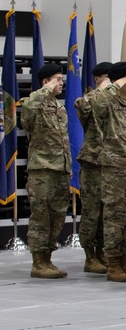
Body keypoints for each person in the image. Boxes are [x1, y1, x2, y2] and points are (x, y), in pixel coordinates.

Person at [90, 62, 126, 283]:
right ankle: (113, 263)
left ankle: (125, 261)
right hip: (115, 169)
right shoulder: (107, 104)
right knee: (115, 217)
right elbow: (96, 104)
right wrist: (114, 86)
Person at [21, 63, 71, 279]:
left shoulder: (59, 108)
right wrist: (45, 89)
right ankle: (38, 262)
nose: (61, 84)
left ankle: (48, 258)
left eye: (61, 80)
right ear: (45, 82)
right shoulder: (32, 102)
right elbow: (28, 113)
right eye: (57, 79)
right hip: (42, 169)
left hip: (60, 168)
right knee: (41, 216)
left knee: (57, 216)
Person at [75, 61, 114, 273]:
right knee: (92, 211)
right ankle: (90, 255)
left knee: (106, 211)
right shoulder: (90, 99)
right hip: (93, 162)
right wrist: (101, 90)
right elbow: (82, 107)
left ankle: (102, 251)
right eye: (105, 77)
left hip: (111, 162)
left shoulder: (114, 101)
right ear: (97, 79)